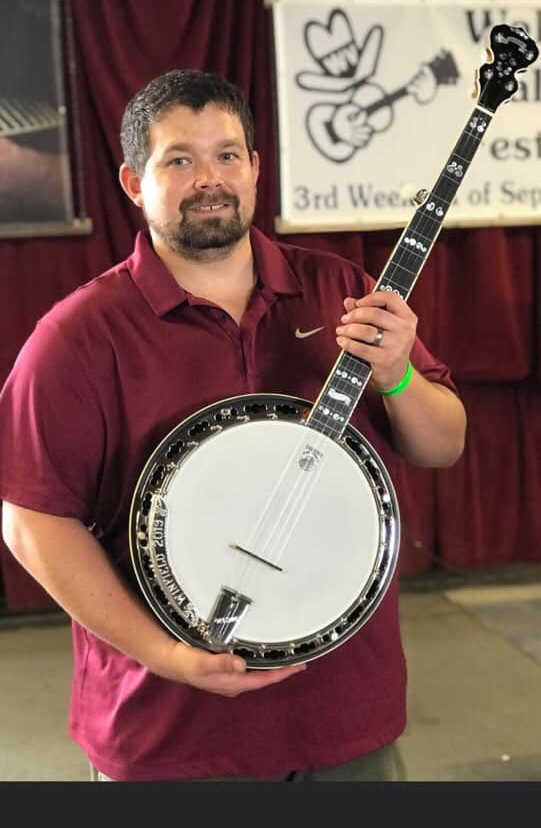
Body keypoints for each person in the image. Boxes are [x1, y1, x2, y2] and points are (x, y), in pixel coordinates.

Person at [0, 69, 466, 782]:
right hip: (168, 732)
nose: (208, 178)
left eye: (226, 155)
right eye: (178, 159)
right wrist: (168, 657)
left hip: (343, 719)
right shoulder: (80, 336)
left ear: (253, 167)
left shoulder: (339, 289)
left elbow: (442, 445)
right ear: (133, 181)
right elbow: (32, 521)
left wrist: (398, 372)